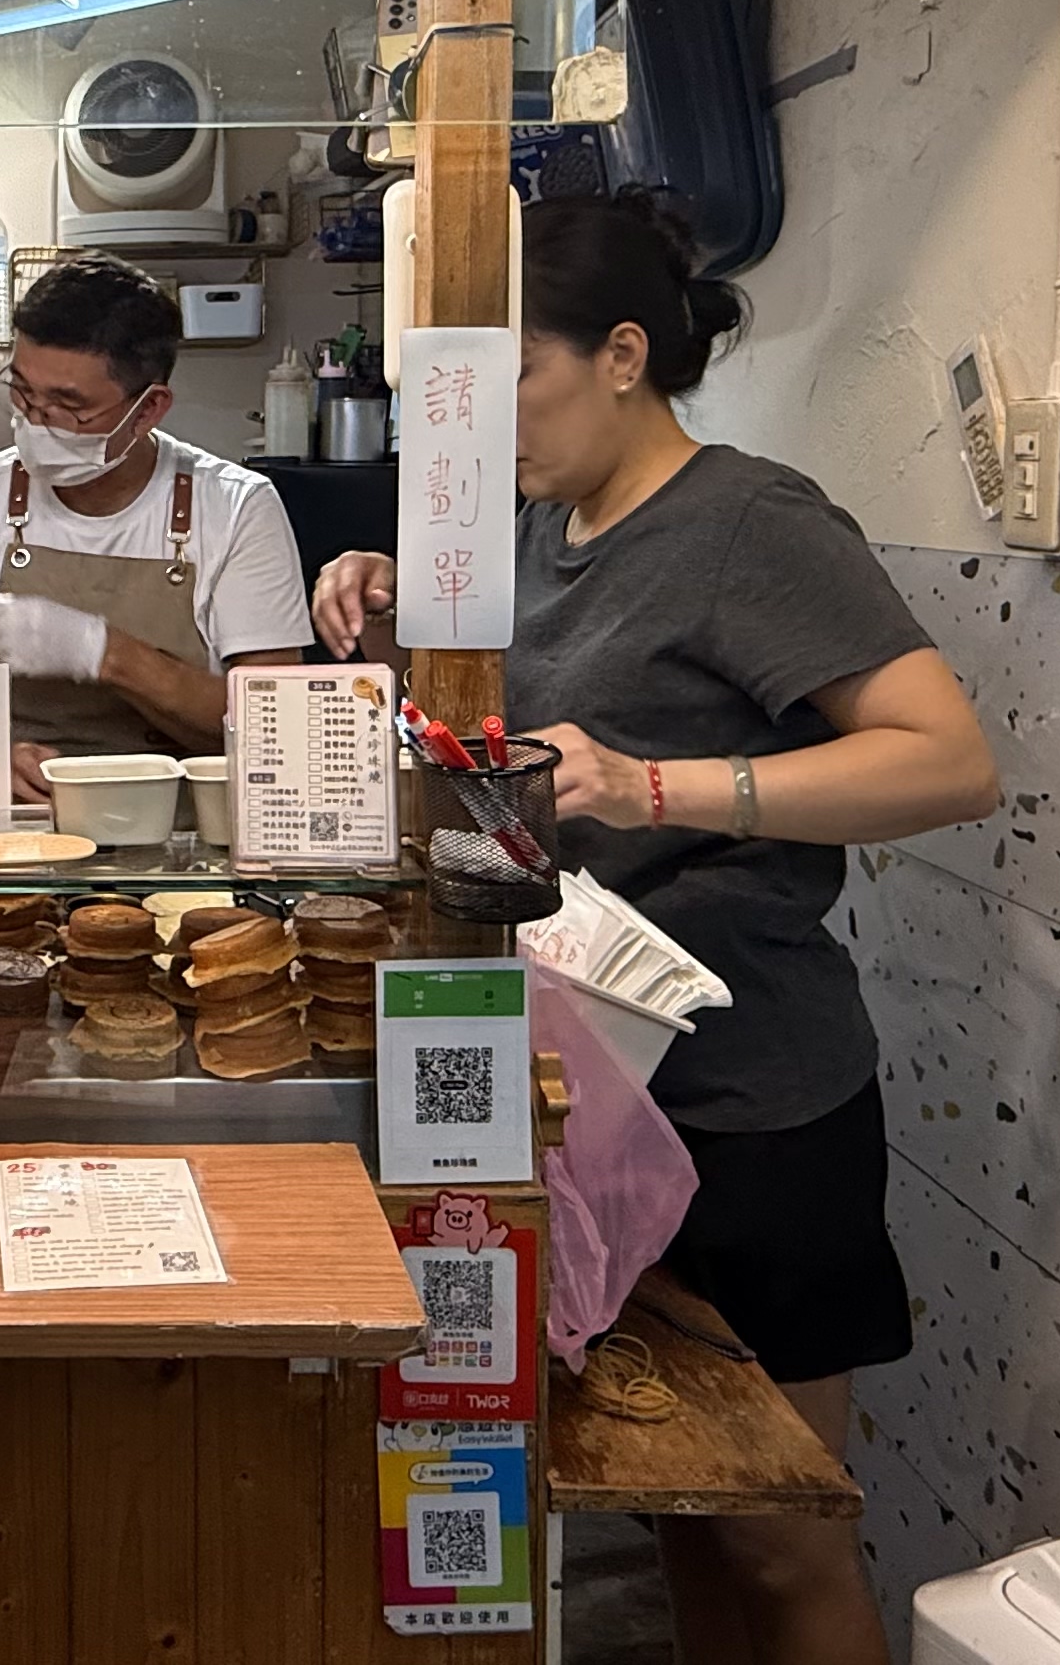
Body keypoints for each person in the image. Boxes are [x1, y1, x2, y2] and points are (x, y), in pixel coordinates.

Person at [310, 193, 999, 1665]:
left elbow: (948, 761)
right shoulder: (542, 524)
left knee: (782, 1533)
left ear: (623, 355)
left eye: (516, 379)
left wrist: (654, 784)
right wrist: (390, 592)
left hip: (750, 1102)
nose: (485, 424)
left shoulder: (750, 521)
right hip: (598, 1091)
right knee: (681, 1506)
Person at [0, 252, 311, 800]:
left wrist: (103, 653)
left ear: (148, 409)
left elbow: (279, 734)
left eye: (68, 405)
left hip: (179, 831)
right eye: (22, 391)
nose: (35, 420)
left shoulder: (236, 509)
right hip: (10, 829)